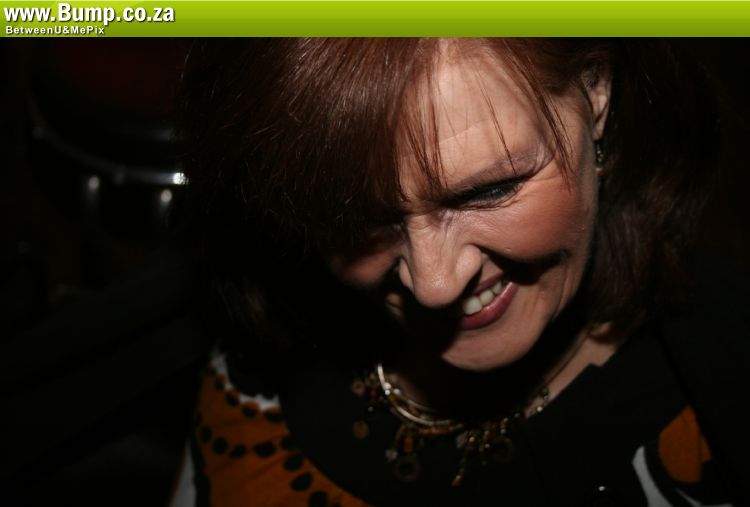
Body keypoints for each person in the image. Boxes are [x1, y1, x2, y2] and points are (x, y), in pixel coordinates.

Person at [175, 39, 749, 506]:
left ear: (595, 92)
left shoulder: (721, 382)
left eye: (488, 190)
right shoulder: (264, 365)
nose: (435, 285)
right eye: (355, 221)